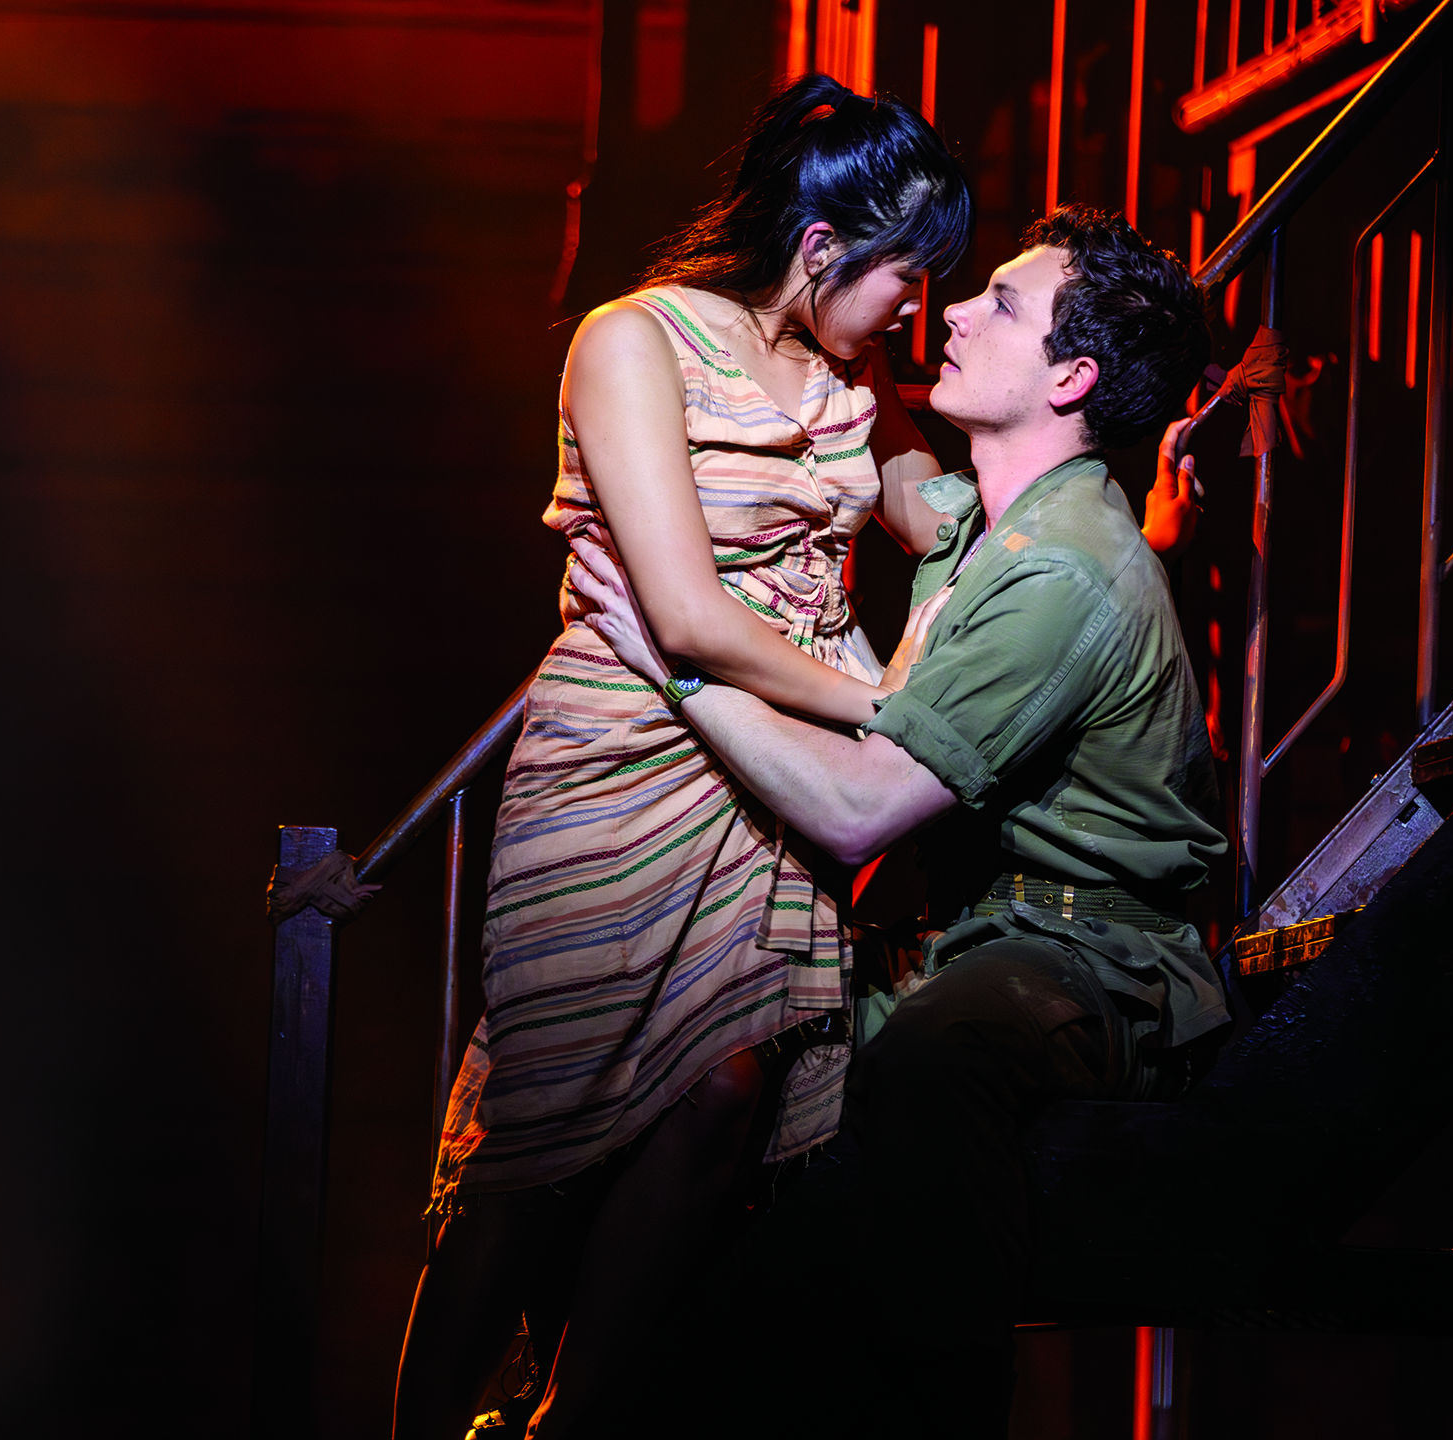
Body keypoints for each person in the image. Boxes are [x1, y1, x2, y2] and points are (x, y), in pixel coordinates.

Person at [566, 205, 1228, 1438]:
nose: (955, 309)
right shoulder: (989, 520)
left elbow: (861, 808)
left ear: (1072, 378)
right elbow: (889, 460)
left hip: (1092, 959)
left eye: (1002, 305)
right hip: (972, 934)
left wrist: (676, 657)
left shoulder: (1063, 569)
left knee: (936, 1059)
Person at [389, 75, 972, 1440]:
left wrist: (1054, 518)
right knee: (536, 1145)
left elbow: (934, 509)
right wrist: (883, 706)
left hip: (772, 789)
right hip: (624, 757)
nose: (916, 311)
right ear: (824, 250)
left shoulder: (849, 378)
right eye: (906, 277)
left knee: (724, 1102)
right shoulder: (632, 341)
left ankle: (570, 1424)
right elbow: (689, 613)